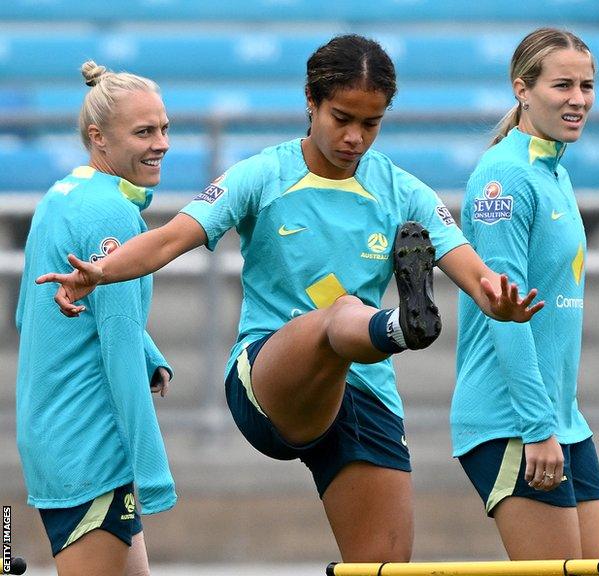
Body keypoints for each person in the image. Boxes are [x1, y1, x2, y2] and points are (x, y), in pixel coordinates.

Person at [37, 34, 542, 563]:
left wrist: (497, 302)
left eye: (370, 124)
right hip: (268, 378)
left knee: (384, 569)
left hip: (363, 393)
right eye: (342, 118)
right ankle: (395, 328)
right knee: (341, 316)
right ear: (311, 100)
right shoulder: (264, 174)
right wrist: (102, 271)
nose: (354, 137)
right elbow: (169, 238)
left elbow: (476, 273)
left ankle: (388, 329)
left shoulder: (403, 191)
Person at [451, 28, 599, 561]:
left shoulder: (553, 170)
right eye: (562, 84)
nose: (578, 99)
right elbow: (504, 314)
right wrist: (537, 427)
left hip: (562, 419)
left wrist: (556, 421)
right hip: (515, 422)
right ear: (522, 89)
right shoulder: (504, 177)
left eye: (587, 86)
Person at [16, 61, 174, 576]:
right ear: (98, 138)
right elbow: (118, 349)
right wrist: (153, 473)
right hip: (91, 449)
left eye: (164, 128)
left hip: (54, 435)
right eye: (144, 132)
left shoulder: (62, 194)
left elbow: (28, 315)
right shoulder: (112, 215)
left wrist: (152, 355)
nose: (161, 143)